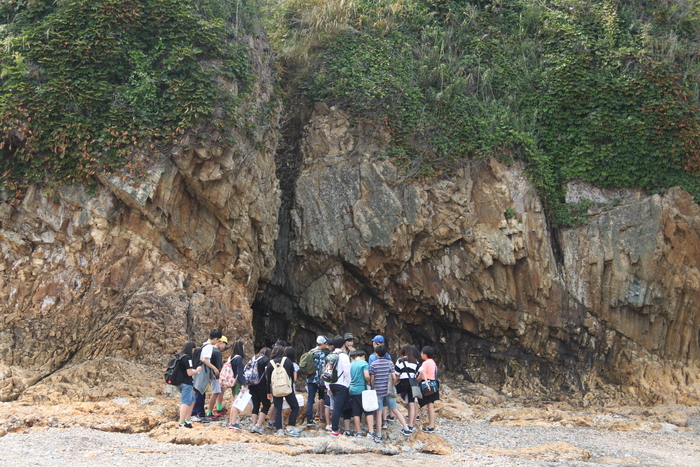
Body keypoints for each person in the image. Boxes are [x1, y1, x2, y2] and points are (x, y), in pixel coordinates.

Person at [369, 344, 412, 442]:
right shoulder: (390, 363)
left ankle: (379, 435)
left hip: (378, 391)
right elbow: (393, 376)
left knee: (379, 413)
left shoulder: (373, 365)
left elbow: (372, 379)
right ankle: (406, 428)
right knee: (395, 409)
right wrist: (392, 385)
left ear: (376, 354)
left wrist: (373, 387)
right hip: (389, 390)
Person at [265, 345, 300, 436]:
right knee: (295, 406)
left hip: (276, 389)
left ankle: (279, 430)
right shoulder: (288, 361)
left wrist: (269, 392)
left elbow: (268, 380)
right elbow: (292, 376)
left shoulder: (270, 363)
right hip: (287, 388)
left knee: (278, 409)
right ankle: (289, 427)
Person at [192, 329, 222, 422]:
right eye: (218, 340)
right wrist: (214, 368)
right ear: (216, 339)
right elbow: (204, 360)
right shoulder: (209, 346)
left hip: (199, 371)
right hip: (202, 372)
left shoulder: (203, 344)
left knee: (200, 392)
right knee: (200, 392)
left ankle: (200, 413)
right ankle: (194, 414)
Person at [327, 335, 351, 437]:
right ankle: (335, 430)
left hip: (331, 383)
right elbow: (347, 372)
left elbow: (327, 372)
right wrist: (348, 384)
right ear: (343, 345)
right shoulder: (344, 356)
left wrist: (328, 387)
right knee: (337, 407)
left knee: (336, 406)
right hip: (341, 384)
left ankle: (334, 426)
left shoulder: (330, 356)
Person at [176, 340, 203, 428]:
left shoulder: (178, 356)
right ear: (192, 348)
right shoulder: (187, 358)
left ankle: (187, 420)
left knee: (192, 400)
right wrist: (198, 370)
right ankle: (181, 423)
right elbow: (190, 373)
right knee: (185, 402)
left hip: (179, 382)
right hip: (186, 383)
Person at [349, 350, 374, 438]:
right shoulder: (364, 363)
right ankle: (371, 432)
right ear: (363, 356)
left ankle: (358, 432)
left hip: (352, 390)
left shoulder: (351, 364)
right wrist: (369, 381)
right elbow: (367, 376)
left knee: (356, 412)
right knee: (368, 410)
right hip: (363, 390)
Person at [305, 336, 329, 427]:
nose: (326, 345)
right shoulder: (321, 354)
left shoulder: (311, 352)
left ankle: (309, 419)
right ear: (322, 344)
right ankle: (322, 416)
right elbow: (323, 367)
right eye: (326, 343)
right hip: (319, 380)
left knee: (310, 399)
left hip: (310, 379)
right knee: (322, 397)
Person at [395, 344, 420, 432]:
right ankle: (411, 425)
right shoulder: (415, 361)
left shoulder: (400, 360)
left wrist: (393, 385)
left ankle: (390, 414)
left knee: (391, 393)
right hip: (413, 383)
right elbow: (418, 374)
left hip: (404, 382)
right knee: (412, 403)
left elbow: (397, 374)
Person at [248, 347, 271, 434]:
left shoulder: (253, 358)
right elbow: (267, 374)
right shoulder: (265, 360)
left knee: (256, 405)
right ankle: (258, 425)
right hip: (261, 385)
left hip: (251, 384)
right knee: (266, 404)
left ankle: (253, 425)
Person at [416, 345, 439, 433]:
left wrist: (417, 379)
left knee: (416, 400)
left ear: (425, 355)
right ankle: (431, 426)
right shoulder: (433, 362)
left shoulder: (425, 363)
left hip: (426, 385)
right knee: (430, 405)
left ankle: (416, 415)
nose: (421, 354)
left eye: (422, 353)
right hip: (433, 384)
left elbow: (422, 373)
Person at [227, 340, 248, 430]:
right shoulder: (239, 358)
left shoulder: (231, 357)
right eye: (243, 346)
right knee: (237, 403)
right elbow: (240, 373)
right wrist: (243, 385)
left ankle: (231, 422)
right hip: (238, 382)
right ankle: (233, 423)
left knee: (234, 402)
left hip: (233, 382)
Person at [206, 336, 228, 419]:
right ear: (221, 342)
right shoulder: (217, 352)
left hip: (210, 374)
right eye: (225, 345)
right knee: (215, 393)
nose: (224, 347)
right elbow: (219, 366)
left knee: (221, 389)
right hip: (216, 375)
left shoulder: (210, 349)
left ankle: (219, 408)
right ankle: (209, 412)